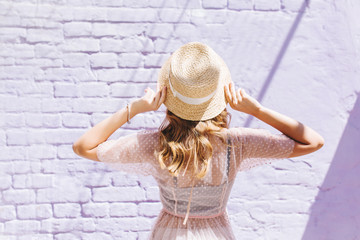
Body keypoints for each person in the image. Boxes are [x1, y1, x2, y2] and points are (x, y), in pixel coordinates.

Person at [73, 42, 324, 239]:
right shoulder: (237, 144)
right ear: (219, 98)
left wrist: (135, 108)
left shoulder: (155, 145)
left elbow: (83, 146)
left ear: (170, 101)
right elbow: (313, 142)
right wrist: (257, 110)